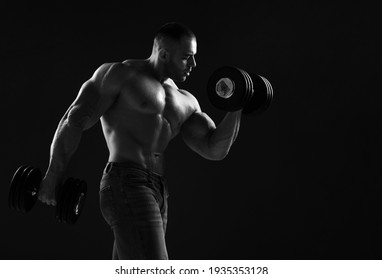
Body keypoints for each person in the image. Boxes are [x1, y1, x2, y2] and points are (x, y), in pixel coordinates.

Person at [38, 22, 242, 259]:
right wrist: (53, 175)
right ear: (164, 53)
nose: (194, 65)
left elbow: (214, 149)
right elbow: (73, 120)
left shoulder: (187, 100)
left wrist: (237, 105)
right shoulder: (120, 75)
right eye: (187, 57)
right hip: (127, 182)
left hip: (158, 190)